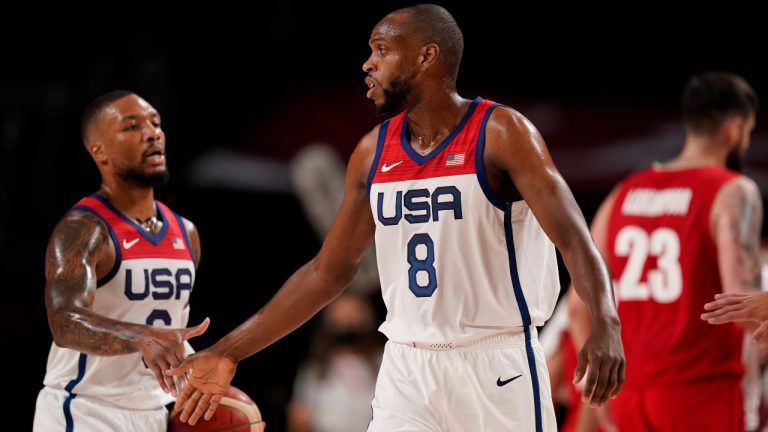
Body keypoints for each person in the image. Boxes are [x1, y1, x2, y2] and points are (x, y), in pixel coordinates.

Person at [169, 4, 624, 431]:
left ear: (428, 56)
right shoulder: (372, 151)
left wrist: (605, 322)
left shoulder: (502, 133)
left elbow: (575, 240)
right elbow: (326, 273)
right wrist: (228, 352)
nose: (368, 63)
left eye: (381, 49)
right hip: (406, 368)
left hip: (495, 363)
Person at [568, 71, 761, 431]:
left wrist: (599, 385)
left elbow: (579, 304)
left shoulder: (624, 191)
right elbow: (746, 309)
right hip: (701, 391)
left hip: (629, 392)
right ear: (734, 128)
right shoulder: (733, 191)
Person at [33, 90, 209, 432]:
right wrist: (141, 337)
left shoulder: (186, 233)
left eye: (156, 123)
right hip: (84, 410)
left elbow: (166, 329)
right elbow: (64, 322)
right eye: (131, 127)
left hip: (153, 414)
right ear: (99, 151)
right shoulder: (83, 228)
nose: (152, 133)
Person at [286, 292, 382, 432]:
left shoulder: (384, 362)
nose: (348, 320)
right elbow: (299, 416)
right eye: (341, 312)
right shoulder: (314, 369)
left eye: (355, 312)